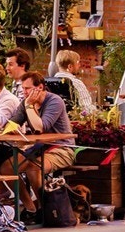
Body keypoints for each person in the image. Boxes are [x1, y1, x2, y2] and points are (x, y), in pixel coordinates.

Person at [5, 71, 77, 217]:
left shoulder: (54, 101)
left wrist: (30, 106)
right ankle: (31, 207)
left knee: (34, 168)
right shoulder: (25, 102)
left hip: (62, 148)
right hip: (39, 148)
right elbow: (12, 123)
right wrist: (11, 129)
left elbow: (40, 127)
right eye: (22, 89)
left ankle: (47, 210)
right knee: (7, 168)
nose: (24, 92)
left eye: (27, 88)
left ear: (40, 88)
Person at [50, 49, 95, 114]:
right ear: (70, 66)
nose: (79, 65)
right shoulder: (76, 83)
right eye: (77, 63)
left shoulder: (50, 82)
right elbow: (87, 107)